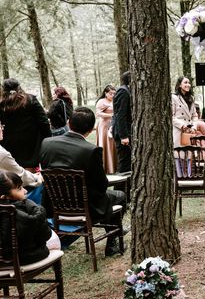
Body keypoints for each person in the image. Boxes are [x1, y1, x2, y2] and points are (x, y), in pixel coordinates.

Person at [40, 107, 126, 256]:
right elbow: (101, 185)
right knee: (120, 195)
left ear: (69, 123)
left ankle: (113, 232)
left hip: (54, 205)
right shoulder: (91, 150)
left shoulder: (46, 143)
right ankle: (112, 241)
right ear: (91, 129)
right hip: (85, 206)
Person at [0, 171, 60, 264]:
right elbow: (45, 236)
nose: (25, 191)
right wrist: (35, 208)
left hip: (2, 261)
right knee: (54, 239)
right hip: (26, 258)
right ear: (4, 196)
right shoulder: (25, 211)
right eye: (19, 188)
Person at [0, 78, 51, 169]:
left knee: (12, 170)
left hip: (9, 143)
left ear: (3, 89)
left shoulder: (2, 103)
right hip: (31, 143)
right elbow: (44, 122)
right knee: (30, 170)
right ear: (19, 87)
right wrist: (47, 139)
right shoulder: (31, 99)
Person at [171, 76, 205, 148]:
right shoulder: (174, 97)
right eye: (185, 83)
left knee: (191, 154)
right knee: (180, 154)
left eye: (189, 83)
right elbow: (171, 117)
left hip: (190, 131)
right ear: (180, 85)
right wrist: (182, 125)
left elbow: (194, 116)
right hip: (179, 130)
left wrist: (194, 126)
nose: (188, 85)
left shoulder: (191, 98)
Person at [112, 71, 132, 173]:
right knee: (124, 164)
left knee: (128, 163)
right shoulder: (123, 91)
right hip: (123, 135)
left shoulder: (128, 90)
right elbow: (120, 115)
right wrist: (124, 136)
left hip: (127, 132)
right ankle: (120, 188)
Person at [96, 85, 118, 174]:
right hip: (104, 126)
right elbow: (98, 114)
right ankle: (106, 168)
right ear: (105, 93)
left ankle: (115, 166)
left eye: (114, 93)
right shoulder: (101, 101)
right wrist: (111, 115)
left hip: (114, 125)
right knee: (106, 145)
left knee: (113, 145)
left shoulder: (115, 100)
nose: (112, 95)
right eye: (110, 93)